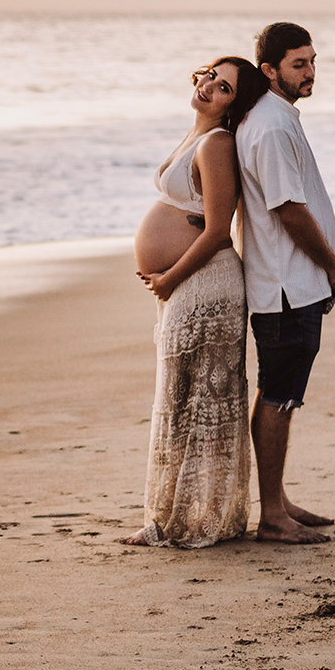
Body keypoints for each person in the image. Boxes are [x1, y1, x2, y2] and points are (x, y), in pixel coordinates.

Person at [123, 55, 271, 547]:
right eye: (209, 75)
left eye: (223, 86)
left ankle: (201, 521)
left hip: (206, 284)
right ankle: (173, 519)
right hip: (187, 285)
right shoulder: (198, 135)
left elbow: (215, 231)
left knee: (202, 406)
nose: (209, 86)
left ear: (235, 105)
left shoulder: (218, 143)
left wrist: (169, 279)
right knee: (181, 400)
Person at [233, 21, 335, 545]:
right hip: (287, 288)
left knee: (282, 393)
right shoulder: (272, 126)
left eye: (312, 61)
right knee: (280, 395)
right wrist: (333, 267)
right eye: (298, 64)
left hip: (290, 284)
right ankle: (272, 516)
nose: (309, 73)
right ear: (269, 70)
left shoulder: (276, 118)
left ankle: (277, 501)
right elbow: (288, 210)